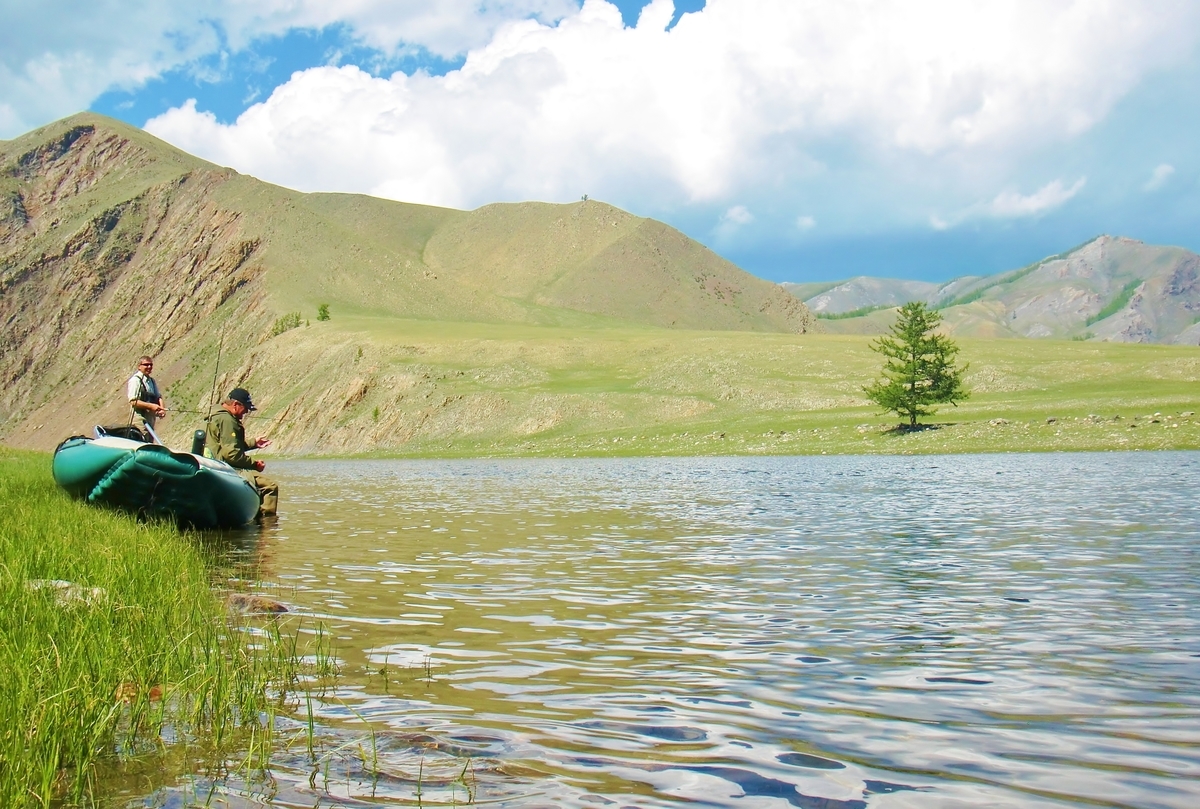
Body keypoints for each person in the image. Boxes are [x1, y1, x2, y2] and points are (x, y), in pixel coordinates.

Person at [207, 387, 279, 518]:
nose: (245, 412)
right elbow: (232, 455)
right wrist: (254, 465)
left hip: (212, 464)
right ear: (235, 404)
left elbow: (227, 445)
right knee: (270, 487)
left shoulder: (215, 416)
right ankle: (266, 525)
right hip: (225, 467)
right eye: (245, 408)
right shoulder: (228, 420)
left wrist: (253, 443)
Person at [126, 356, 166, 440]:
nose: (149, 367)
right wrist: (151, 406)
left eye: (151, 365)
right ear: (139, 366)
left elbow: (158, 397)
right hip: (139, 422)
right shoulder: (135, 380)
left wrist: (162, 408)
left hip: (150, 421)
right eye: (146, 365)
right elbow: (133, 401)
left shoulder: (152, 381)